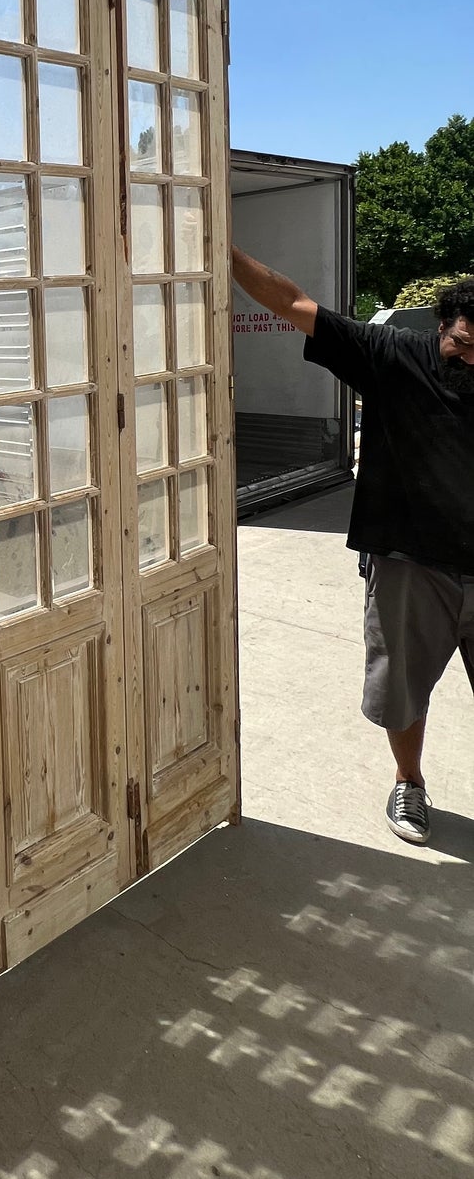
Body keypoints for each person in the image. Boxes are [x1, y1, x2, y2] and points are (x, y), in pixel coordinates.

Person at [231, 247, 474, 845]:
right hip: (409, 564)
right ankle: (409, 782)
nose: (472, 358)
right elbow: (290, 302)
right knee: (402, 692)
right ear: (441, 326)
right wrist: (217, 241)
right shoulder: (391, 355)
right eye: (462, 344)